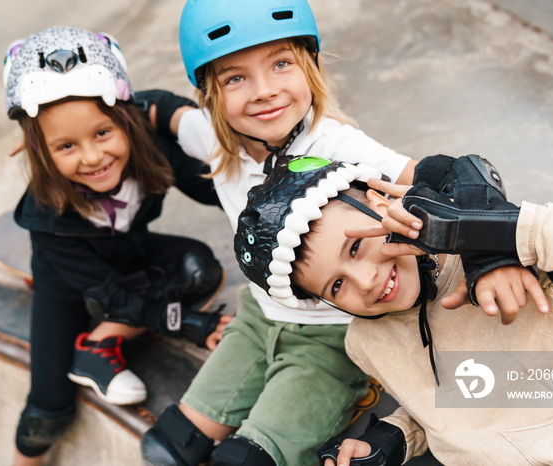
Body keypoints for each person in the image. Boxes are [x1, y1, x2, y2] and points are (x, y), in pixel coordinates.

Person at [139, 0, 421, 464]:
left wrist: (497, 249)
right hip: (258, 319)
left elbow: (436, 180)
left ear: (310, 67)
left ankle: (356, 385)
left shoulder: (334, 145)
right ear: (209, 94)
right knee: (170, 446)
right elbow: (156, 108)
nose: (264, 91)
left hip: (334, 335)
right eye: (235, 78)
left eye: (281, 64)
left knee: (244, 461)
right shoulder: (213, 138)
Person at [234, 154, 553, 466]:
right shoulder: (366, 341)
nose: (365, 281)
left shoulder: (488, 260)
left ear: (379, 202)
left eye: (355, 248)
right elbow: (453, 396)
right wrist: (396, 437)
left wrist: (495, 235)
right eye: (336, 285)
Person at [3, 26, 230, 466]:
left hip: (132, 256)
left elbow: (219, 187)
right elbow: (114, 296)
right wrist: (192, 324)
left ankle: (100, 342)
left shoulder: (150, 148)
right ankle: (29, 450)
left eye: (102, 134)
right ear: (39, 150)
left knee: (201, 269)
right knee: (48, 409)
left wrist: (178, 116)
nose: (91, 157)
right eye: (65, 145)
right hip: (73, 289)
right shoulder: (45, 217)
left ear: (127, 120)